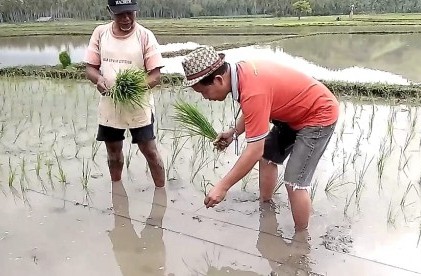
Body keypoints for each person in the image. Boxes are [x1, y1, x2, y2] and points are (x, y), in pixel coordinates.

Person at [181, 46, 339, 231]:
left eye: (204, 92)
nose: (205, 98)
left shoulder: (252, 89)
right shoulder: (240, 74)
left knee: (294, 182)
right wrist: (234, 132)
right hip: (292, 113)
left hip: (318, 114)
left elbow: (255, 150)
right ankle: (266, 206)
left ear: (218, 79)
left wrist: (222, 186)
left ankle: (301, 238)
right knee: (268, 157)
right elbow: (254, 110)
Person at [84, 0, 165, 187]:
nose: (127, 18)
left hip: (138, 105)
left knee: (150, 151)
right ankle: (117, 190)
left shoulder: (145, 35)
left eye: (130, 12)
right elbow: (90, 68)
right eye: (120, 14)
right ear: (109, 11)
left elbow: (155, 75)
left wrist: (134, 88)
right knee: (113, 153)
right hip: (110, 104)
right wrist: (98, 79)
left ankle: (161, 193)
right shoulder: (100, 33)